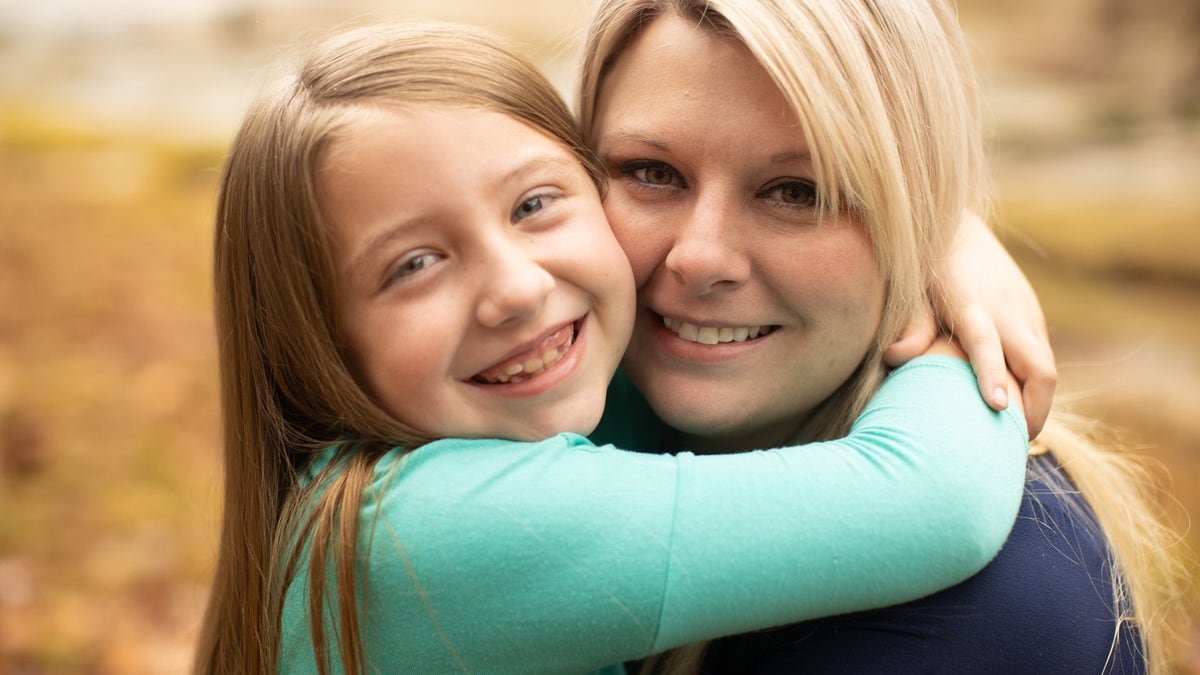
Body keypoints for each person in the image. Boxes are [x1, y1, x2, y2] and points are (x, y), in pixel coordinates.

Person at [192, 20, 1045, 675]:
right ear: (309, 333)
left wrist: (933, 234)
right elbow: (931, 503)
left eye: (534, 204)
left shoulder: (535, 409)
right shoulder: (415, 538)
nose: (519, 288)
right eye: (414, 264)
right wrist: (952, 322)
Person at [577, 0, 1187, 673]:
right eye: (651, 173)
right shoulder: (520, 405)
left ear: (913, 219)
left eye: (798, 192)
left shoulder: (966, 620)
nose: (700, 257)